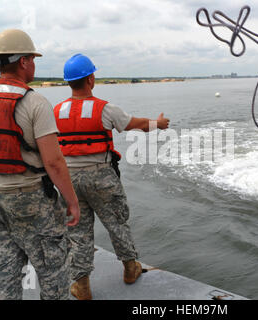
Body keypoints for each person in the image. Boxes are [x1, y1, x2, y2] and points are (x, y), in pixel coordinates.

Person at [0, 29, 80, 300]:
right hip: (31, 200)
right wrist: (72, 201)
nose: (34, 64)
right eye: (33, 59)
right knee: (53, 276)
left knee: (3, 276)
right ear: (24, 61)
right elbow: (53, 162)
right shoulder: (34, 102)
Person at [53, 54, 170, 300]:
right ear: (91, 79)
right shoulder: (104, 108)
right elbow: (134, 124)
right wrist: (158, 123)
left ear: (68, 82)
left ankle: (82, 286)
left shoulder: (56, 111)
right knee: (117, 222)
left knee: (77, 231)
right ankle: (130, 269)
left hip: (69, 179)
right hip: (101, 176)